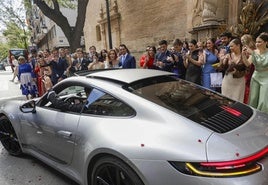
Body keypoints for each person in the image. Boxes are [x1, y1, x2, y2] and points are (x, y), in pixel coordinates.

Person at [242, 32, 268, 113]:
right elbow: (248, 64)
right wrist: (243, 55)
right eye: (256, 42)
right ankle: (253, 115)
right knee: (253, 99)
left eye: (259, 42)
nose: (257, 44)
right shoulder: (254, 52)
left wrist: (252, 53)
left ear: (266, 42)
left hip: (266, 77)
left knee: (263, 100)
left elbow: (263, 62)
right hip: (256, 76)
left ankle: (263, 117)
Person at [220, 38, 247, 102]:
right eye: (229, 46)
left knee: (237, 101)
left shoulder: (244, 55)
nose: (230, 48)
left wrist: (236, 72)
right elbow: (223, 67)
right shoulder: (228, 55)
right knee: (225, 100)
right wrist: (222, 60)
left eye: (232, 46)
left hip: (239, 82)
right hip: (227, 81)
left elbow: (247, 70)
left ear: (238, 46)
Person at [241, 34, 255, 104]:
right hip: (248, 72)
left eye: (243, 40)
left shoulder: (253, 50)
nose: (242, 42)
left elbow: (248, 64)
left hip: (252, 72)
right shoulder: (246, 49)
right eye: (241, 41)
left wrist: (243, 55)